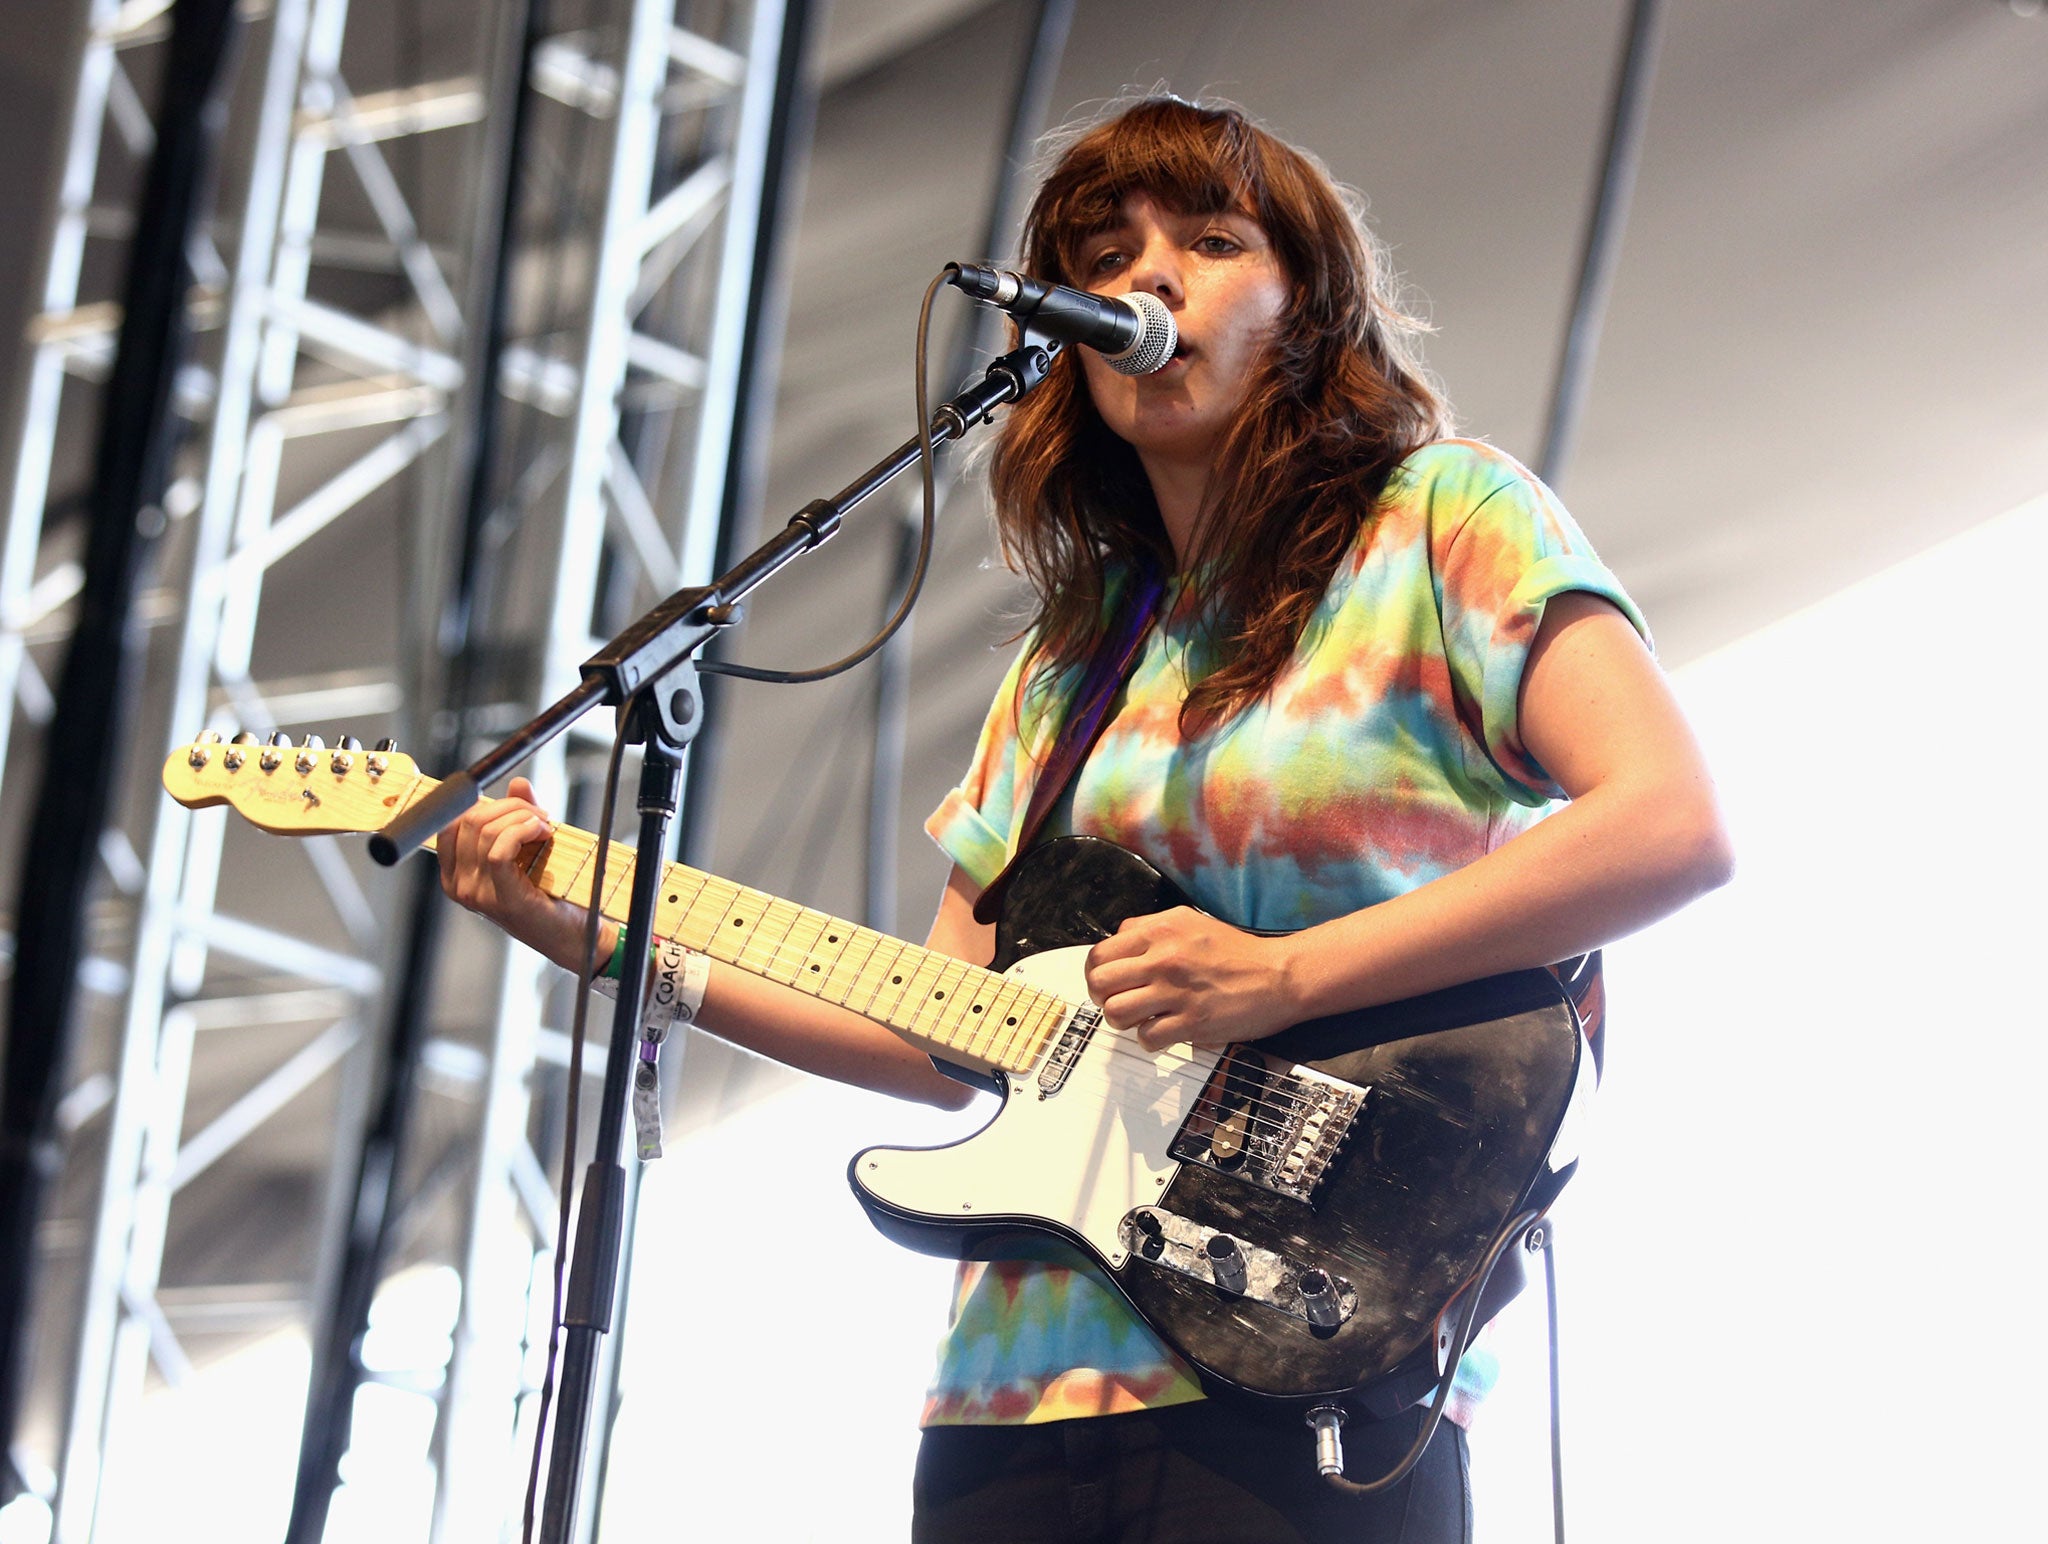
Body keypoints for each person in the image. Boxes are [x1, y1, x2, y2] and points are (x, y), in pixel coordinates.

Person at [440, 96, 1732, 1544]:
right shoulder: (1071, 661)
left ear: (1307, 307)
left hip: (1307, 1356)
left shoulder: (1443, 518)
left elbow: (1670, 823)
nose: (1148, 279)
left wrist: (1288, 976)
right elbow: (941, 1033)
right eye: (1103, 252)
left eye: (1212, 240)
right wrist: (597, 937)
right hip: (1012, 1400)